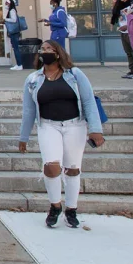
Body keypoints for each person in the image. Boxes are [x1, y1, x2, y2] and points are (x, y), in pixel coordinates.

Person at [18, 40, 104, 229]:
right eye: (42, 49)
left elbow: (89, 101)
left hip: (75, 125)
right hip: (48, 126)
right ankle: (55, 205)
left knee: (72, 169)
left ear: (58, 53)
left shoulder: (74, 75)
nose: (45, 51)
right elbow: (28, 110)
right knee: (51, 166)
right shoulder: (33, 79)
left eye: (50, 49)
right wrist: (23, 137)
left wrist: (96, 129)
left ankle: (71, 209)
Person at [110, 0, 133, 79]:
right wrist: (119, 0)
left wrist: (128, 26)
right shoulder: (120, 2)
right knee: (128, 52)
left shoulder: (132, 2)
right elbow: (115, 12)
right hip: (123, 30)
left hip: (131, 30)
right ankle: (132, 70)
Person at [4, 0, 23, 71]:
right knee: (15, 48)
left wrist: (5, 19)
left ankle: (19, 64)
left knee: (16, 49)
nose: (6, 5)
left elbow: (14, 20)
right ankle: (18, 64)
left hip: (14, 33)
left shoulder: (12, 10)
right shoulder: (11, 10)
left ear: (10, 4)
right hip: (14, 33)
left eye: (7, 4)